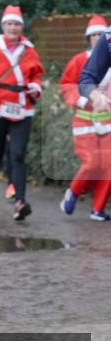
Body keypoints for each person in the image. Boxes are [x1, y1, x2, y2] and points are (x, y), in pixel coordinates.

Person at [0, 5, 44, 221]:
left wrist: (36, 86)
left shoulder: (29, 50)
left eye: (17, 24)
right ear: (3, 26)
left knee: (18, 155)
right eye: (10, 24)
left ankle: (20, 202)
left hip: (23, 107)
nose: (13, 28)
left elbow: (37, 75)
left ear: (21, 27)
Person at [71, 16, 111, 221]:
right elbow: (85, 79)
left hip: (106, 122)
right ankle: (73, 194)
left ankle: (97, 208)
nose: (97, 37)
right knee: (93, 163)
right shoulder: (109, 38)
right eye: (93, 34)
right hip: (86, 120)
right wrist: (93, 96)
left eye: (98, 33)